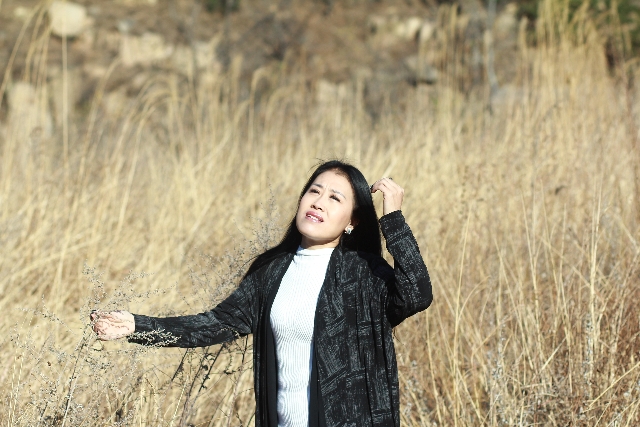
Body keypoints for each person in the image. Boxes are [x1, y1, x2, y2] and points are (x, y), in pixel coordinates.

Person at [91, 160, 432, 427]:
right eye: (314, 191)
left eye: (334, 198)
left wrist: (394, 220)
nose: (318, 202)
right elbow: (217, 323)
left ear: (352, 222)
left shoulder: (363, 274)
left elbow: (416, 294)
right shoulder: (271, 271)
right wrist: (137, 326)